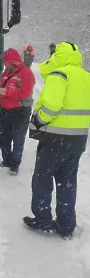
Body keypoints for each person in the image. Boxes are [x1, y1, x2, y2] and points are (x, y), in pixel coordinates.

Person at [24, 42, 90, 239]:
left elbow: (52, 106)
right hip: (78, 138)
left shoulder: (59, 75)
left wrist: (38, 119)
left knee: (42, 178)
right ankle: (66, 225)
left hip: (55, 138)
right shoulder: (86, 76)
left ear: (59, 56)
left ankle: (43, 219)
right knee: (67, 182)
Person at [0, 48, 35, 175]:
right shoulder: (6, 73)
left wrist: (7, 92)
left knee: (18, 140)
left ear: (13, 62)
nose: (4, 65)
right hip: (5, 110)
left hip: (21, 111)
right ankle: (7, 161)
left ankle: (15, 165)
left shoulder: (26, 73)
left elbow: (25, 92)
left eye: (6, 62)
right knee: (2, 138)